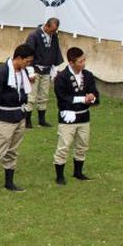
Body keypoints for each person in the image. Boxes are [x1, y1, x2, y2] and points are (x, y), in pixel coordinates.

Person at [0, 44, 35, 196]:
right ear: (18, 58)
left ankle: (9, 182)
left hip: (19, 115)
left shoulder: (22, 72)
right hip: (4, 117)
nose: (28, 64)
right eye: (27, 61)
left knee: (13, 150)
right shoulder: (0, 73)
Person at [53, 47, 100, 184]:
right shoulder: (61, 77)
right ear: (71, 62)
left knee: (82, 146)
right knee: (64, 146)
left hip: (84, 117)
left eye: (84, 60)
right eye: (80, 61)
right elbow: (62, 98)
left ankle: (78, 172)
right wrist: (82, 99)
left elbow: (94, 93)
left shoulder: (88, 75)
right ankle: (59, 176)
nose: (83, 64)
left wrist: (92, 97)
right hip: (68, 117)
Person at [24, 18, 63, 128]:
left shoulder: (54, 36)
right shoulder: (33, 35)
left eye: (55, 31)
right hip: (35, 68)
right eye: (51, 30)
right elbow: (29, 53)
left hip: (46, 69)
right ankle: (27, 120)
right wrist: (30, 71)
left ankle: (42, 119)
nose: (52, 33)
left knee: (44, 95)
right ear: (46, 26)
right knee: (31, 95)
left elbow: (55, 52)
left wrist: (54, 70)